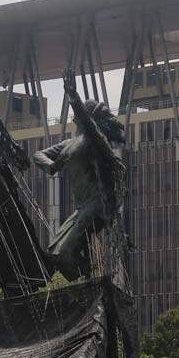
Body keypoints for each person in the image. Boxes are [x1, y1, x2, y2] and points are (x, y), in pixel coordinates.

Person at [32, 69, 127, 279]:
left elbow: (90, 125)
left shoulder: (95, 140)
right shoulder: (68, 144)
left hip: (97, 205)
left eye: (81, 114)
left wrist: (74, 97)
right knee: (55, 252)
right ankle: (86, 279)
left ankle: (88, 283)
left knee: (66, 252)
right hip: (82, 208)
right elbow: (38, 154)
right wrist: (50, 166)